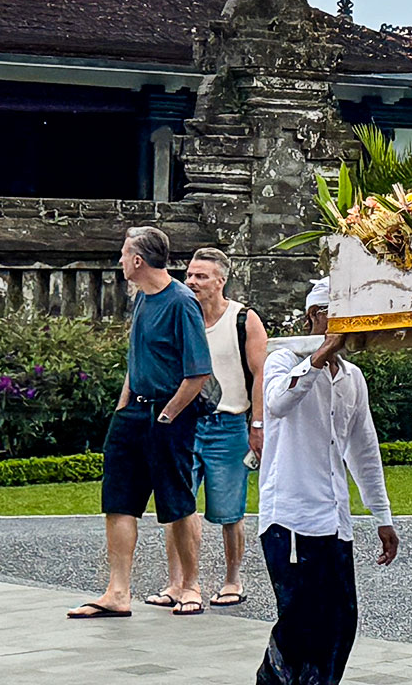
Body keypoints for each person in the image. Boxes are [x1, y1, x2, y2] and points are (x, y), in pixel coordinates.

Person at [257, 279, 400, 685]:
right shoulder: (284, 360)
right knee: (299, 622)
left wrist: (382, 516)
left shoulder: (352, 377)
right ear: (313, 318)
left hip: (335, 520)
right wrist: (321, 355)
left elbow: (364, 449)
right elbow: (278, 404)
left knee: (340, 621)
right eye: (335, 316)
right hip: (291, 517)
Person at [71, 226, 214, 619]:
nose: (119, 261)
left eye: (123, 254)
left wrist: (168, 414)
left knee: (177, 502)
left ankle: (190, 586)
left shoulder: (181, 303)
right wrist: (123, 406)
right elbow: (137, 360)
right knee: (118, 502)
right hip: (133, 413)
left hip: (168, 416)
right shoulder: (142, 300)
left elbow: (198, 371)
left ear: (138, 260)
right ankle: (118, 592)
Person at [185, 247, 270, 608]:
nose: (192, 282)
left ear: (221, 280)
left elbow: (261, 374)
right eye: (189, 275)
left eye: (201, 276)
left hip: (230, 424)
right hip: (185, 425)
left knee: (229, 511)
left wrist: (258, 424)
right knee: (179, 507)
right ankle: (185, 583)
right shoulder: (183, 316)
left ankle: (233, 579)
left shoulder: (244, 319)